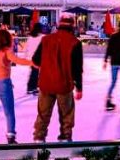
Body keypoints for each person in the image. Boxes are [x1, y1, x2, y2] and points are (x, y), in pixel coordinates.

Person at [30, 13, 83, 142]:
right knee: (66, 116)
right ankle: (65, 139)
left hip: (46, 84)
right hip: (64, 85)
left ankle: (39, 139)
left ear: (59, 24)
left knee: (43, 115)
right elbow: (77, 69)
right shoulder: (75, 43)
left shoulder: (46, 40)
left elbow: (35, 61)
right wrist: (79, 88)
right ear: (73, 26)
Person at [20, 23, 45, 95]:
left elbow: (26, 48)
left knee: (35, 72)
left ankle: (33, 87)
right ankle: (31, 87)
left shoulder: (30, 37)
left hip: (31, 57)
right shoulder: (42, 37)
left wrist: (25, 56)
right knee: (35, 72)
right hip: (38, 57)